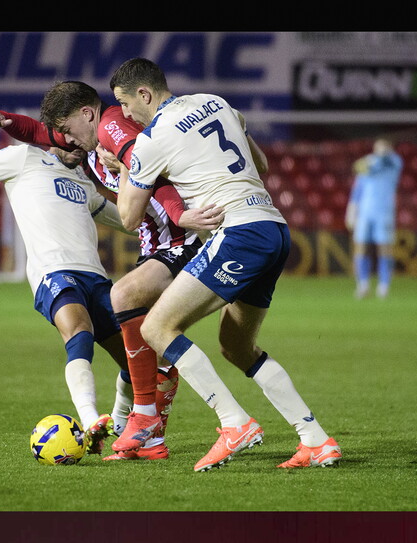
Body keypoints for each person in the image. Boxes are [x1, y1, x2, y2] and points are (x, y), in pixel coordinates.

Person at [0, 81, 251, 461]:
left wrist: (179, 213)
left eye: (67, 130)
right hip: (158, 243)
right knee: (147, 342)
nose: (64, 140)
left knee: (130, 306)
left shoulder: (108, 126)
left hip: (179, 238)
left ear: (87, 113)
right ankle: (147, 437)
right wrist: (5, 121)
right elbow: (39, 132)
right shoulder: (85, 142)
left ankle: (186, 419)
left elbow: (147, 169)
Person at [107, 57, 342, 471]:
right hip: (273, 228)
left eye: (125, 103)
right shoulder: (217, 102)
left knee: (156, 327)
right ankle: (315, 440)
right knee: (236, 347)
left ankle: (234, 423)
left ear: (144, 94)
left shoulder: (150, 140)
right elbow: (263, 166)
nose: (124, 114)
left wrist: (126, 165)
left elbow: (128, 218)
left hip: (238, 235)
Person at [0, 142, 136, 455]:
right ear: (58, 129)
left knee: (134, 357)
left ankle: (118, 423)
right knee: (79, 332)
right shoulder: (23, 157)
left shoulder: (84, 180)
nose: (81, 146)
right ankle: (88, 419)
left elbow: (127, 221)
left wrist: (172, 226)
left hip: (96, 277)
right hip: (53, 271)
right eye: (75, 137)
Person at [345, 138, 404, 299]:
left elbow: (386, 160)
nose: (381, 150)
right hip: (365, 213)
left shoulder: (394, 162)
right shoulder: (368, 163)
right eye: (379, 147)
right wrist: (351, 210)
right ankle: (363, 285)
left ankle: (384, 285)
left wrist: (378, 157)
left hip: (384, 212)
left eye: (384, 147)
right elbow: (357, 189)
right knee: (361, 247)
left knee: (384, 248)